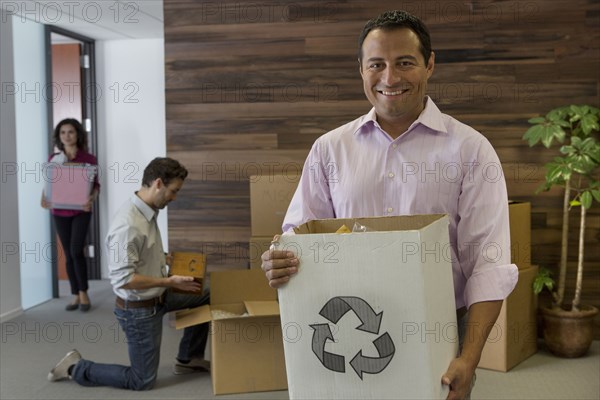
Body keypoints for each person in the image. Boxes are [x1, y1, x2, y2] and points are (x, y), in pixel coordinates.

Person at [260, 10, 518, 400]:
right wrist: (278, 259)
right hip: (345, 328)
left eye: (405, 63)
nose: (390, 78)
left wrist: (469, 359)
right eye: (377, 64)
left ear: (429, 65)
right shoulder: (330, 149)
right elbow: (298, 238)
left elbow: (489, 265)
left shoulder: (470, 150)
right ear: (361, 69)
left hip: (438, 331)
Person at [47, 157, 211, 390]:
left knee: (206, 291)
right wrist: (169, 280)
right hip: (139, 310)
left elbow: (140, 252)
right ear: (158, 183)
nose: (174, 198)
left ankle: (188, 358)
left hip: (160, 295)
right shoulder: (128, 225)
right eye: (173, 191)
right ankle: (76, 367)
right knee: (141, 380)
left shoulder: (148, 210)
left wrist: (162, 257)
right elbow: (124, 280)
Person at [41, 118, 99, 312]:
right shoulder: (53, 159)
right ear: (59, 136)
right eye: (63, 132)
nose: (67, 136)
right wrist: (43, 197)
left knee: (76, 250)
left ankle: (84, 292)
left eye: (71, 132)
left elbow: (96, 185)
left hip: (81, 210)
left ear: (78, 134)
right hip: (59, 211)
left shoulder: (89, 159)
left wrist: (91, 198)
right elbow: (50, 182)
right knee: (68, 253)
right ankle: (75, 294)